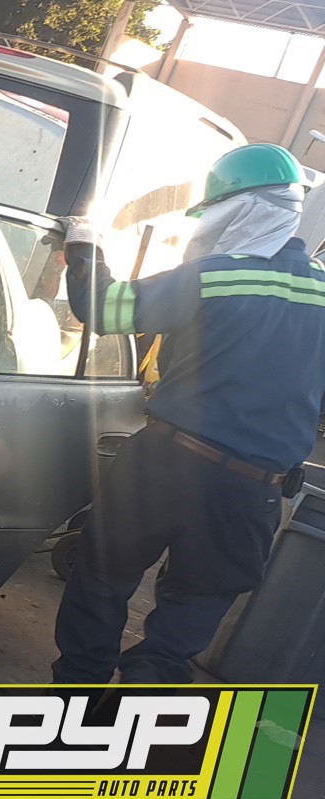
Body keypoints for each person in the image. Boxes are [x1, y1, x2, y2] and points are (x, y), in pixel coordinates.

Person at [51, 143, 325, 685]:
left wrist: (84, 247)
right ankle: (138, 720)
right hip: (254, 490)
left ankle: (71, 707)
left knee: (102, 582)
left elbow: (102, 309)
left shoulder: (213, 277)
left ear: (239, 211)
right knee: (189, 614)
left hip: (165, 464)